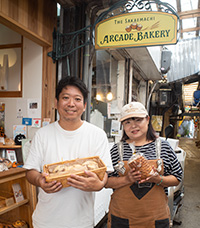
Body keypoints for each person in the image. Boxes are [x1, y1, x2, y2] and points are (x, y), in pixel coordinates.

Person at [23, 76, 113, 228]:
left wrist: (99, 184)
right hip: (45, 221)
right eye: (65, 98)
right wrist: (39, 181)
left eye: (77, 99)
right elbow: (30, 171)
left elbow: (104, 174)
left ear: (84, 105)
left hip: (81, 222)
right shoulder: (42, 134)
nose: (71, 104)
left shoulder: (97, 135)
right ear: (56, 103)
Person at [105, 101, 183, 228]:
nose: (133, 126)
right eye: (127, 122)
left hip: (156, 219)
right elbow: (106, 182)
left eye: (138, 120)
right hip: (121, 219)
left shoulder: (163, 147)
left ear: (147, 120)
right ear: (123, 125)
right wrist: (127, 179)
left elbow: (177, 177)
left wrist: (158, 179)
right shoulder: (116, 150)